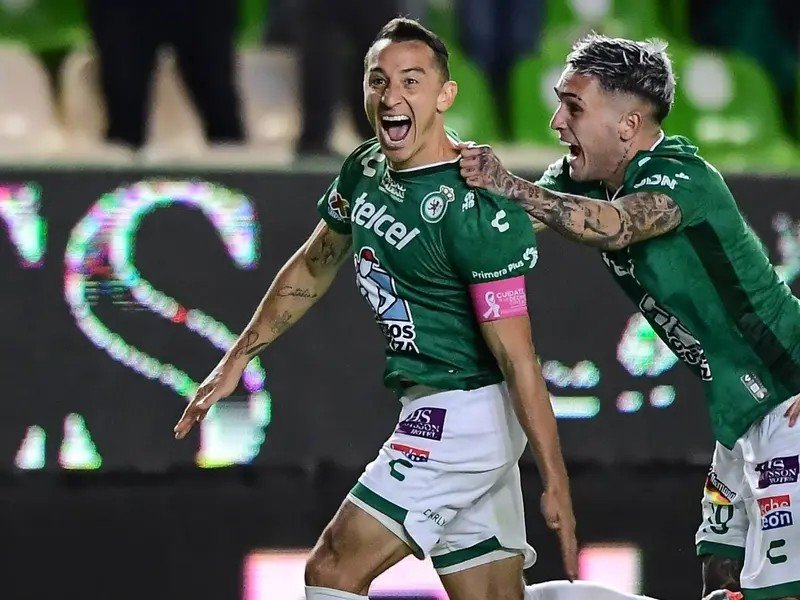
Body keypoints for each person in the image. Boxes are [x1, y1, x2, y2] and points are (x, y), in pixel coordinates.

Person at [175, 17, 578, 600]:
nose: (391, 96)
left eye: (411, 81)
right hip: (439, 409)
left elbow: (519, 358)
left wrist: (555, 479)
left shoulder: (474, 206)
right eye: (378, 80)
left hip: (462, 416)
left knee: (332, 568)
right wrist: (237, 357)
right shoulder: (365, 167)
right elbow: (315, 263)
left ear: (445, 95)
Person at [459, 33, 800, 600]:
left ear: (627, 125)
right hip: (738, 417)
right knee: (720, 577)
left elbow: (616, 225)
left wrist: (509, 183)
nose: (556, 122)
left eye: (573, 107)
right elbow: (508, 224)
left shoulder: (683, 177)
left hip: (789, 402)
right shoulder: (585, 178)